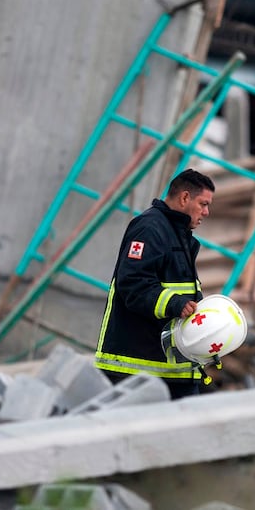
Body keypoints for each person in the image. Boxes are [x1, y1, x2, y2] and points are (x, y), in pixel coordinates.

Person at [94, 168, 215, 399]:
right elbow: (132, 284)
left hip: (170, 369)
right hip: (135, 369)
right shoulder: (150, 228)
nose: (207, 212)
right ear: (185, 198)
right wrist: (176, 304)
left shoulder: (178, 235)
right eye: (203, 204)